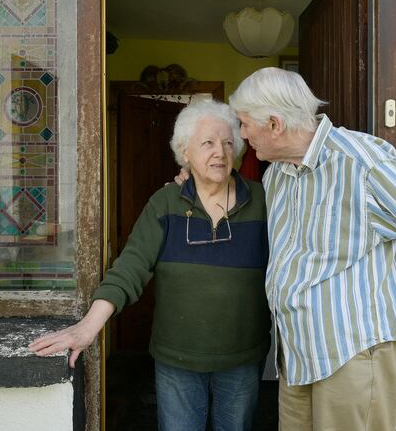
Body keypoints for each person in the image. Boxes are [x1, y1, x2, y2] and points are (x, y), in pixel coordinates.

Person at [229, 67, 396, 430]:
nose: (243, 134)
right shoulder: (277, 174)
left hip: (355, 355)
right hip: (297, 356)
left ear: (275, 124)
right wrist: (194, 178)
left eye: (245, 124)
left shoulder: (361, 162)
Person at [30, 99, 270, 431]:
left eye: (229, 143)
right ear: (185, 152)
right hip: (177, 359)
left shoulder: (263, 201)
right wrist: (88, 327)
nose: (220, 152)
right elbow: (131, 267)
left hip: (242, 358)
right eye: (208, 143)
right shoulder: (165, 202)